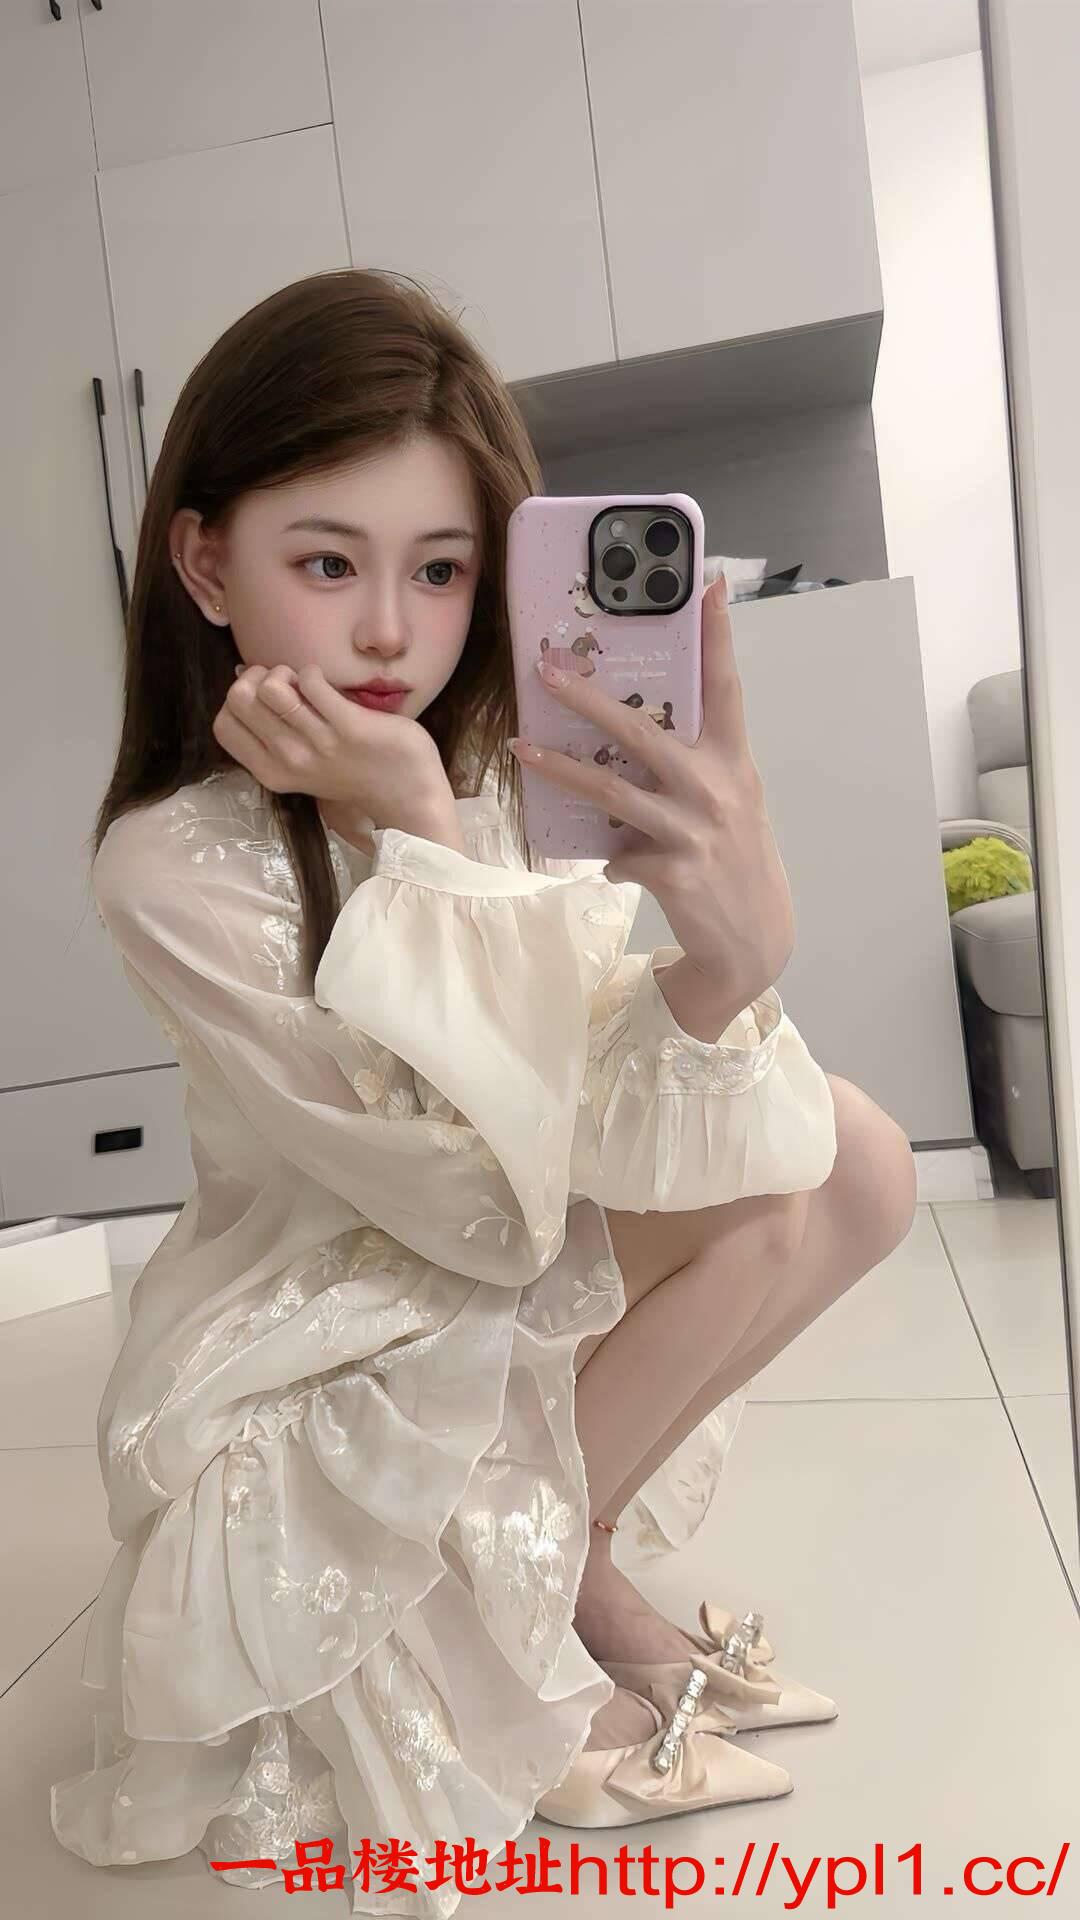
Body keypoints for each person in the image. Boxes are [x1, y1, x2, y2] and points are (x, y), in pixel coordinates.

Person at [50, 269, 917, 1912]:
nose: (391, 630)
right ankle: (541, 1592)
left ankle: (564, 1551)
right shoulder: (172, 865)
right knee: (757, 1192)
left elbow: (592, 1113)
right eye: (328, 564)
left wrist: (728, 958)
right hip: (331, 1309)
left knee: (855, 1161)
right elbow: (469, 1200)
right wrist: (421, 838)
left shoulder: (484, 779)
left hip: (494, 1249)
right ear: (206, 564)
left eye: (442, 570)